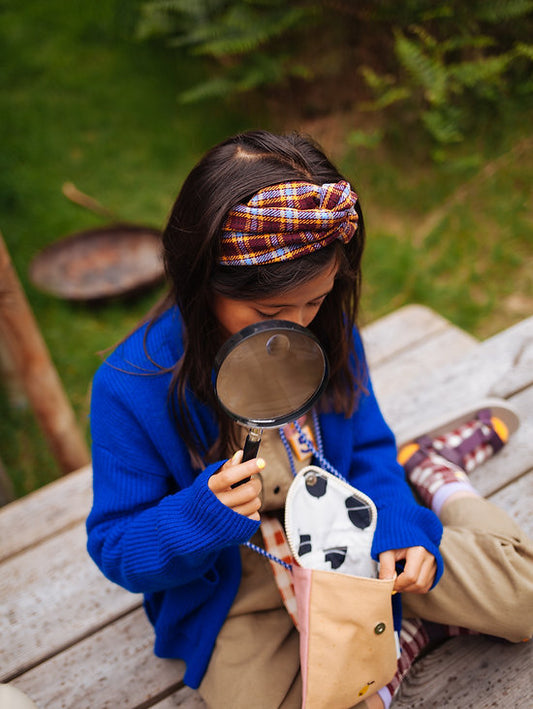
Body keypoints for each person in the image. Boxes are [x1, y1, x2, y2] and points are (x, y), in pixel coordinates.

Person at [86, 130, 533, 708]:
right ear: (201, 284)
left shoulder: (329, 331)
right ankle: (415, 631)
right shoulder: (130, 388)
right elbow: (118, 547)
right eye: (270, 311)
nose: (298, 326)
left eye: (316, 300)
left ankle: (437, 474)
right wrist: (201, 515)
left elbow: (369, 446)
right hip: (239, 578)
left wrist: (398, 522)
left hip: (353, 529)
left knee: (521, 598)